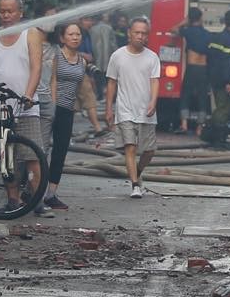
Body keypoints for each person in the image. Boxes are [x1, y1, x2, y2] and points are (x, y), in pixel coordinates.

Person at [0, 0, 45, 203]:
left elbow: (36, 68)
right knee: (6, 156)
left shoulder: (31, 34)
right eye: (2, 11)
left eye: (10, 11)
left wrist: (28, 94)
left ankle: (37, 200)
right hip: (1, 107)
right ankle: (13, 199)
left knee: (33, 156)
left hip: (26, 106)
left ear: (20, 13)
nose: (5, 15)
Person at [42, 21, 103, 211]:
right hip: (50, 108)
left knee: (60, 152)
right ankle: (32, 189)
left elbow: (83, 90)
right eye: (71, 34)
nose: (75, 37)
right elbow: (49, 80)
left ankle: (51, 194)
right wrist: (51, 106)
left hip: (68, 110)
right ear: (62, 38)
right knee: (41, 150)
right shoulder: (54, 56)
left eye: (78, 35)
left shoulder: (82, 62)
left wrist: (91, 114)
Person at [103, 17, 161, 197]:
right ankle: (135, 185)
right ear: (129, 33)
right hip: (125, 109)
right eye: (137, 32)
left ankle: (137, 171)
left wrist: (153, 101)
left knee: (149, 151)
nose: (140, 36)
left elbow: (155, 82)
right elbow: (111, 83)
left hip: (146, 111)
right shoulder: (117, 56)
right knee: (130, 147)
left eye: (144, 33)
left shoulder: (152, 57)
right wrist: (109, 108)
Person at [200, 9, 230, 146]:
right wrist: (229, 82)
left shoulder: (216, 38)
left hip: (214, 78)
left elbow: (211, 58)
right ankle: (217, 139)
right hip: (224, 80)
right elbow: (228, 63)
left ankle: (211, 136)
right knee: (223, 109)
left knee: (220, 107)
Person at [179, 6, 210, 136]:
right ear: (201, 18)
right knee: (203, 97)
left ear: (190, 19)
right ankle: (200, 128)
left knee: (185, 95)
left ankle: (184, 124)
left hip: (191, 68)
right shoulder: (208, 34)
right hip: (203, 69)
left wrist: (184, 22)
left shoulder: (188, 31)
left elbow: (172, 29)